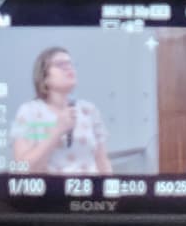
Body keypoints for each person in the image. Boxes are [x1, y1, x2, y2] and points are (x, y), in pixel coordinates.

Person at [10, 46, 112, 175]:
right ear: (44, 78)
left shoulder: (89, 110)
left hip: (90, 186)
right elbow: (21, 168)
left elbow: (102, 162)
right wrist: (57, 131)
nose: (69, 68)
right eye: (60, 64)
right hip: (50, 187)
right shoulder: (29, 111)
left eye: (70, 64)